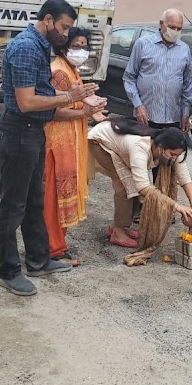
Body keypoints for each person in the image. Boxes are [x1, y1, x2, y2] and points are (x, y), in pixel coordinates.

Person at [0, 0, 99, 297]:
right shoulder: (28, 48)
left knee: (34, 201)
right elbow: (27, 102)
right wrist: (69, 98)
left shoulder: (40, 47)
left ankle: (39, 260)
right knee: (13, 206)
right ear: (49, 20)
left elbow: (43, 90)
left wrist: (78, 96)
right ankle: (8, 270)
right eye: (64, 28)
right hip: (18, 132)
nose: (66, 36)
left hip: (33, 132)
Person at [87, 119, 192, 248]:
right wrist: (176, 206)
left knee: (132, 184)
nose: (174, 158)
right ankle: (118, 231)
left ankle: (121, 226)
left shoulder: (172, 148)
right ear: (160, 149)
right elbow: (143, 188)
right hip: (100, 141)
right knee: (124, 185)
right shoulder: (139, 148)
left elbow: (184, 178)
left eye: (177, 155)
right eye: (172, 154)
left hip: (121, 143)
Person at [43, 27, 108, 262]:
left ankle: (57, 246)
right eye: (76, 46)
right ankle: (52, 250)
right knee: (54, 199)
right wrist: (86, 112)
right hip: (58, 144)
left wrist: (92, 109)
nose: (81, 51)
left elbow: (75, 103)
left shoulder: (71, 70)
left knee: (59, 197)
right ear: (63, 47)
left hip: (68, 141)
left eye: (84, 46)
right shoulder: (60, 72)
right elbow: (55, 111)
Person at [123, 9, 192, 134]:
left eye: (179, 28)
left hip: (173, 118)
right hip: (145, 117)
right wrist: (138, 105)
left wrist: (185, 113)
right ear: (161, 24)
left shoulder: (184, 49)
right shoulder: (143, 45)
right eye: (172, 27)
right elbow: (129, 78)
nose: (175, 32)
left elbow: (187, 84)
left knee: (169, 153)